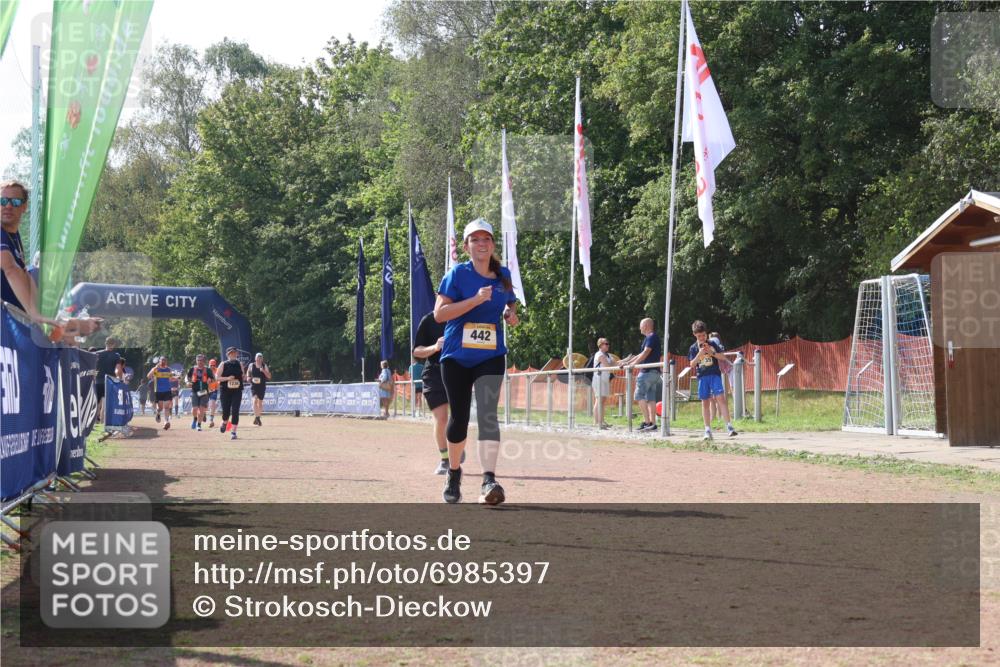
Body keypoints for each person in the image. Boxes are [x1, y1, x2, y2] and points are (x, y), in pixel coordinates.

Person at [434, 218, 518, 505]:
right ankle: (454, 473)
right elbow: (439, 315)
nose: (481, 244)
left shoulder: (503, 275)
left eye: (486, 240)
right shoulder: (457, 275)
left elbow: (511, 307)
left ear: (492, 245)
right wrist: (474, 301)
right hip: (457, 356)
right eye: (475, 240)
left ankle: (489, 479)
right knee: (459, 418)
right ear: (467, 245)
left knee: (488, 415)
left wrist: (511, 316)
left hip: (491, 355)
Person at [412, 311, 456, 475]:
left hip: (458, 373)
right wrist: (435, 347)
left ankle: (455, 446)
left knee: (458, 418)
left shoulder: (464, 316)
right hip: (434, 375)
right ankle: (445, 459)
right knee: (442, 418)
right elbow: (416, 351)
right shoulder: (429, 320)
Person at [688, 320, 738, 440]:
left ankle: (729, 426)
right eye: (699, 336)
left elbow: (723, 357)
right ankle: (707, 429)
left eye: (704, 335)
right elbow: (692, 364)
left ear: (706, 334)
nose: (702, 338)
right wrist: (700, 354)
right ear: (695, 335)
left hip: (715, 375)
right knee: (705, 402)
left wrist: (712, 352)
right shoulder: (693, 348)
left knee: (721, 398)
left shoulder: (712, 343)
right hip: (702, 377)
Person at [621, 317, 662, 432]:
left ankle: (647, 421)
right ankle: (653, 423)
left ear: (646, 326)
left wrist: (633, 365)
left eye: (641, 325)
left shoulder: (651, 337)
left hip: (647, 372)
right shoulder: (650, 338)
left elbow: (645, 352)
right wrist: (628, 362)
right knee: (651, 398)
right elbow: (641, 354)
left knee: (638, 395)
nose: (639, 328)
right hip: (654, 372)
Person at [216, 346, 245, 439]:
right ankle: (224, 422)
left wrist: (240, 379)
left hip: (237, 390)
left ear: (237, 354)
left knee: (235, 410)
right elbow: (217, 378)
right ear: (227, 354)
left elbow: (243, 376)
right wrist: (228, 378)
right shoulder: (223, 364)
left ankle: (233, 432)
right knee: (226, 412)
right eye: (231, 353)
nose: (233, 354)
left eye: (235, 353)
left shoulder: (239, 364)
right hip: (225, 391)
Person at [95, 337, 121, 422]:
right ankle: (103, 422)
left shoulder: (97, 354)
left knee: (97, 403)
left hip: (98, 381)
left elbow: (92, 366)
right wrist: (119, 378)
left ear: (105, 343)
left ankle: (95, 423)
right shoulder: (116, 356)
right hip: (109, 381)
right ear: (114, 344)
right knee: (106, 403)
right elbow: (118, 369)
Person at [187, 354, 214, 431]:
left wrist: (210, 380)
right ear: (196, 361)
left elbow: (213, 379)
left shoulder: (208, 370)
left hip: (204, 392)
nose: (200, 362)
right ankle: (195, 419)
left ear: (204, 361)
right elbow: (187, 377)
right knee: (195, 408)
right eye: (198, 360)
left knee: (201, 409)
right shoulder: (192, 369)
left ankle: (199, 425)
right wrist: (187, 382)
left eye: (201, 360)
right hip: (195, 391)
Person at [147, 356, 174, 430]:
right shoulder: (156, 369)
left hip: (167, 391)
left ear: (166, 361)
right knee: (161, 408)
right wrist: (154, 368)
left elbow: (171, 379)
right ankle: (158, 413)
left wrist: (175, 376)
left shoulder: (169, 369)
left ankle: (166, 422)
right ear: (159, 361)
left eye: (164, 360)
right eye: (162, 360)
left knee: (166, 407)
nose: (163, 362)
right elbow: (148, 376)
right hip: (158, 391)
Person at [592, 338, 613, 429]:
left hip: (604, 379)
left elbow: (616, 362)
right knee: (599, 400)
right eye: (606, 344)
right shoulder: (599, 354)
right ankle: (597, 422)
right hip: (598, 379)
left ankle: (602, 420)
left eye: (608, 344)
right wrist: (618, 365)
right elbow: (608, 366)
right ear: (600, 345)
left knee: (603, 401)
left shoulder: (608, 355)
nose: (608, 345)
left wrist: (627, 361)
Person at [247, 352, 271, 426]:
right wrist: (248, 378)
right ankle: (258, 418)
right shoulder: (251, 365)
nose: (259, 359)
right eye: (258, 357)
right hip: (254, 386)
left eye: (260, 358)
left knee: (260, 402)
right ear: (255, 358)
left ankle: (257, 418)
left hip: (262, 386)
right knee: (254, 401)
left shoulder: (264, 366)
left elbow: (269, 376)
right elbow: (248, 374)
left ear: (262, 359)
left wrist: (263, 371)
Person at [206, 358, 220, 427]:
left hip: (214, 390)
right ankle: (203, 416)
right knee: (204, 406)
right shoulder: (205, 371)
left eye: (213, 365)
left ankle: (211, 420)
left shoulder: (217, 371)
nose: (212, 366)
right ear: (209, 365)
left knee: (212, 404)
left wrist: (218, 385)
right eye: (211, 365)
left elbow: (219, 380)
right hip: (205, 390)